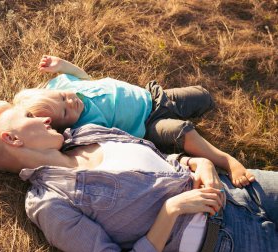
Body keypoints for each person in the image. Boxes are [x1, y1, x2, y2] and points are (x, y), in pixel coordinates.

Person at [0, 101, 278, 252]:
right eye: (30, 117)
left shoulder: (87, 132)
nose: (46, 117)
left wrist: (197, 162)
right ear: (12, 139)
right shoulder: (50, 204)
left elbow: (162, 159)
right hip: (227, 242)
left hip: (242, 191)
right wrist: (172, 210)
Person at [13, 55, 254, 188]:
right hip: (149, 124)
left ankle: (199, 105)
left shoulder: (62, 86)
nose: (71, 103)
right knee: (182, 131)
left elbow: (82, 76)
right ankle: (226, 159)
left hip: (154, 97)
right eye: (66, 112)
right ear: (63, 125)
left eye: (65, 98)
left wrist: (61, 65)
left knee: (202, 96)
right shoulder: (84, 127)